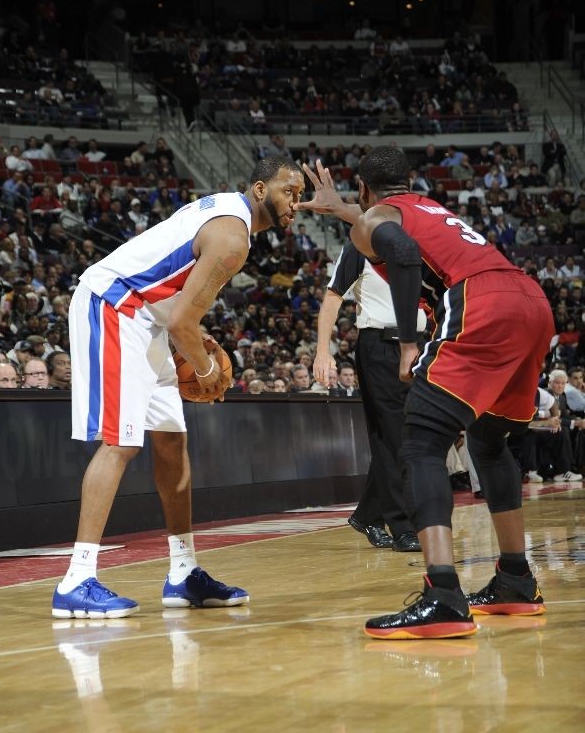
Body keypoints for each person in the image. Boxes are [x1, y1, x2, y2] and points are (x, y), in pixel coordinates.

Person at [296, 147, 554, 639]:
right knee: (486, 441)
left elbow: (402, 250)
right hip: (530, 300)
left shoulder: (379, 218)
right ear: (409, 181)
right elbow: (392, 228)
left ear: (365, 188)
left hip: (480, 303)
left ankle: (442, 595)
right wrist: (344, 209)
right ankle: (516, 582)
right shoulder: (427, 208)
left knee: (420, 443)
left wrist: (409, 343)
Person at [52, 155, 305, 619]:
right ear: (260, 190)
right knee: (121, 444)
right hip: (114, 307)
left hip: (149, 316)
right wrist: (207, 371)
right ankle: (77, 579)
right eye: (291, 191)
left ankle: (183, 572)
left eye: (302, 195)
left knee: (171, 442)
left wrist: (192, 339)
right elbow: (185, 320)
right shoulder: (233, 237)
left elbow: (178, 307)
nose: (297, 202)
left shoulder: (226, 212)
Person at [314, 241, 423, 551]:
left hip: (419, 346)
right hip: (380, 345)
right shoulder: (360, 246)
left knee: (410, 433)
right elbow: (333, 295)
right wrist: (323, 351)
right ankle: (402, 525)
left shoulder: (419, 245)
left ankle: (369, 514)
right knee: (393, 435)